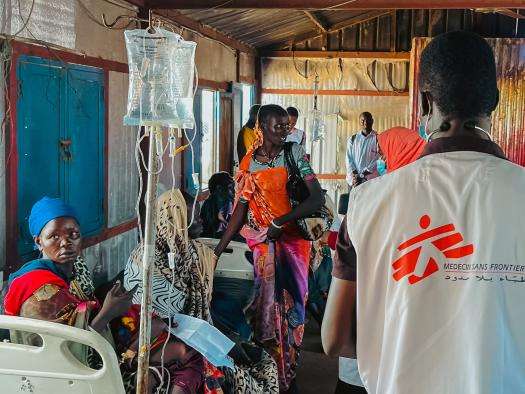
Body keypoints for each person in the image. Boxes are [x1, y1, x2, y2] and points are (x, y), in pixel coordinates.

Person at [322, 31, 525, 394]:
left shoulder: (367, 202)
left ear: (425, 102)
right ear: (493, 101)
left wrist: (399, 345)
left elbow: (333, 339)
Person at [4, 197, 201, 394]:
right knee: (185, 358)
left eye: (73, 234)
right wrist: (108, 312)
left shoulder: (71, 271)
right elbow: (68, 353)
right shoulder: (41, 293)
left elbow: (82, 318)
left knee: (177, 346)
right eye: (54, 237)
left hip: (90, 357)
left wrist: (119, 310)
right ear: (39, 242)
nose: (65, 243)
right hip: (72, 377)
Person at [214, 104, 325, 392]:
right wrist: (216, 252)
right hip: (265, 246)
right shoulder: (249, 164)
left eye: (286, 126)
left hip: (294, 243)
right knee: (265, 311)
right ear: (261, 128)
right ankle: (274, 371)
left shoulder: (294, 154)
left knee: (295, 310)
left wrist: (281, 221)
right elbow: (240, 210)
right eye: (278, 126)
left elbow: (315, 200)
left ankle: (290, 368)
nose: (284, 131)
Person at [124, 189, 279, 393]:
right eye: (194, 216)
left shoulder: (186, 251)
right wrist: (220, 342)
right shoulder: (146, 263)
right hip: (162, 342)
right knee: (246, 369)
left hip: (189, 333)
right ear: (176, 221)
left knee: (253, 354)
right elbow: (170, 323)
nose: (201, 220)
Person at [345, 112, 379, 187]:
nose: (365, 123)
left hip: (370, 182)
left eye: (368, 120)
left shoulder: (378, 139)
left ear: (372, 121)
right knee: (353, 199)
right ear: (359, 122)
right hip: (354, 181)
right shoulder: (353, 139)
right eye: (363, 120)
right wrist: (355, 175)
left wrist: (362, 175)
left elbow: (378, 160)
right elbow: (349, 159)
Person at [200, 172, 235, 239]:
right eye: (230, 187)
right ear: (219, 189)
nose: (234, 190)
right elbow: (213, 232)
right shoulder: (209, 205)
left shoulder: (228, 202)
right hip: (213, 241)